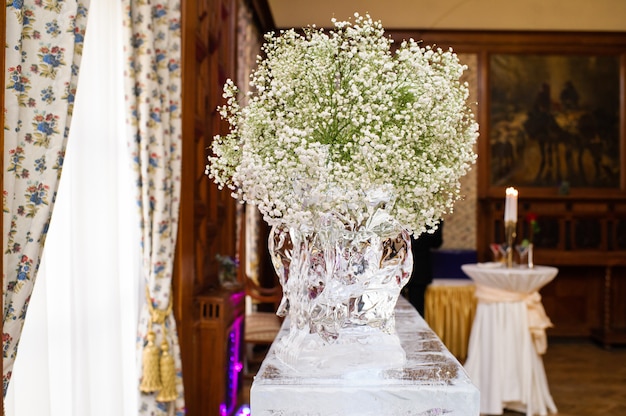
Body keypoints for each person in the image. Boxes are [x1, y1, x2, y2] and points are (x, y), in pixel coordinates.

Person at [406, 221, 443, 317]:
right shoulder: (433, 217)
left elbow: (437, 243)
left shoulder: (433, 217)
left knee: (417, 309)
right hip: (410, 268)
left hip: (419, 269)